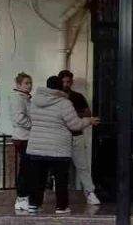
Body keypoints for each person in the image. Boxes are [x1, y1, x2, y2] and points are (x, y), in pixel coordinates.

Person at [26, 75, 98, 215]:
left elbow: (32, 120)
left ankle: (34, 204)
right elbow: (74, 125)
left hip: (37, 146)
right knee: (61, 180)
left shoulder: (35, 102)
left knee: (37, 179)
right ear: (60, 87)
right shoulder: (64, 103)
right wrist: (88, 121)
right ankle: (61, 207)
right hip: (58, 148)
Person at [58, 69, 101, 206]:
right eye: (63, 82)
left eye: (68, 81)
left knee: (82, 166)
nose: (66, 84)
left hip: (76, 135)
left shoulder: (77, 97)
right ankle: (59, 195)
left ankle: (89, 192)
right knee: (59, 168)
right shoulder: (56, 97)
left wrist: (73, 114)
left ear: (72, 82)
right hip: (60, 137)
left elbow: (87, 113)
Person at [10, 72, 33, 213]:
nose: (29, 86)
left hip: (26, 137)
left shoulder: (25, 98)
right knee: (25, 169)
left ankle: (24, 197)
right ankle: (21, 198)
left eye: (30, 83)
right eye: (26, 83)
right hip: (23, 138)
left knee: (27, 168)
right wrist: (34, 126)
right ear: (18, 85)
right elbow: (19, 119)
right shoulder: (18, 98)